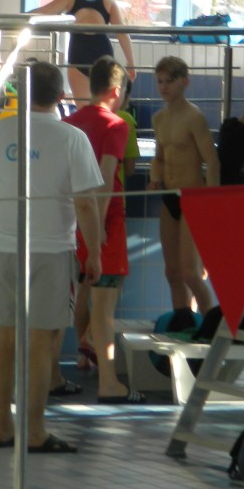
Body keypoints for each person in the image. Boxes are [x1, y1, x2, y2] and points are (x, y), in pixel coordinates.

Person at [0, 60, 103, 454]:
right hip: (52, 250)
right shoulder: (72, 138)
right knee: (41, 340)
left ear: (21, 93)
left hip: (9, 246)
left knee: (6, 336)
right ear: (61, 95)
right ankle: (34, 431)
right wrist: (94, 252)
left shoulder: (1, 131)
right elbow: (86, 203)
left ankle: (3, 427)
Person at [60, 55, 145, 404]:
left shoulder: (70, 122)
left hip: (73, 220)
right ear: (115, 90)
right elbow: (107, 176)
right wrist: (100, 227)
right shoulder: (116, 125)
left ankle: (85, 350)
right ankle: (109, 382)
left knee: (85, 289)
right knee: (105, 305)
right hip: (105, 221)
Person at [147, 55, 220, 321]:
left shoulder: (194, 118)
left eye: (169, 81)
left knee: (191, 272)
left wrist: (212, 201)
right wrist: (155, 178)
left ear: (185, 82)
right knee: (172, 272)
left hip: (194, 198)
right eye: (160, 81)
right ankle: (182, 319)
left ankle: (210, 320)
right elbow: (159, 158)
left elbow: (212, 161)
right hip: (170, 198)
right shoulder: (159, 119)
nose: (163, 87)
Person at [30, 0, 136, 105]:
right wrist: (131, 63)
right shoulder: (108, 1)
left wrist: (20, 16)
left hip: (78, 56)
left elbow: (43, 12)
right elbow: (122, 34)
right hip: (103, 56)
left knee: (84, 109)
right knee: (103, 108)